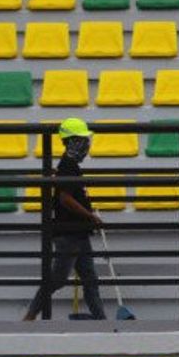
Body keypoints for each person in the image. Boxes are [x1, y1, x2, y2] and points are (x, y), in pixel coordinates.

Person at [23, 118, 107, 320]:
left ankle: (101, 320)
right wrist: (90, 216)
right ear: (73, 142)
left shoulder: (68, 166)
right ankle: (31, 314)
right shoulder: (67, 167)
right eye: (83, 141)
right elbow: (65, 199)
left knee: (90, 279)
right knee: (58, 279)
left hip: (78, 233)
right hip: (69, 234)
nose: (87, 145)